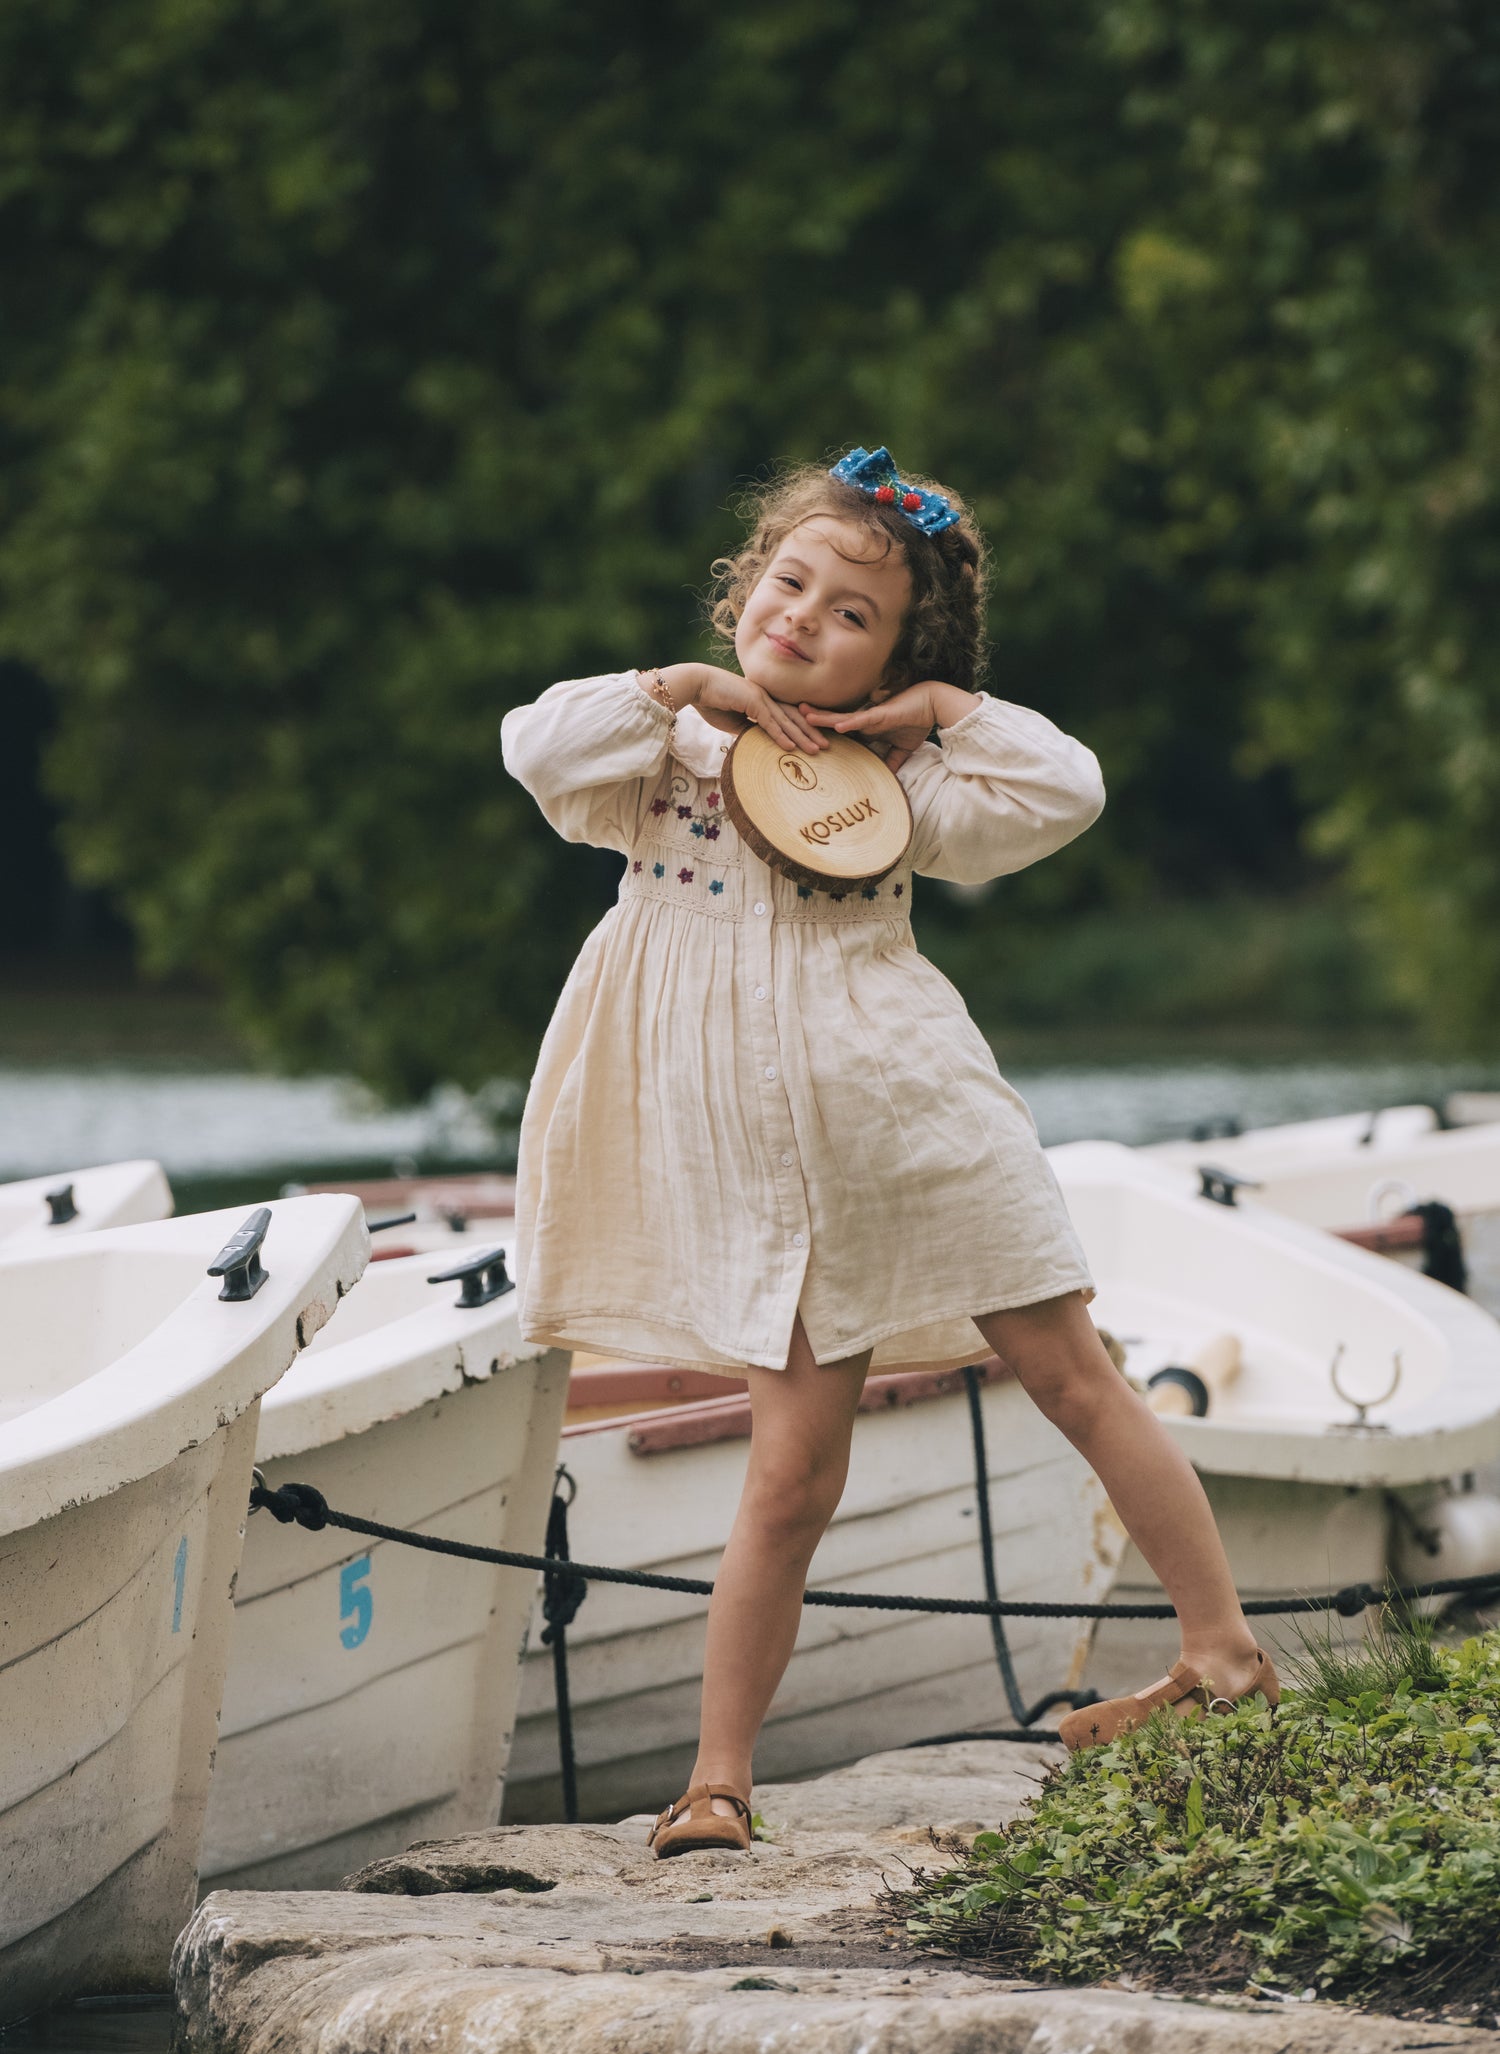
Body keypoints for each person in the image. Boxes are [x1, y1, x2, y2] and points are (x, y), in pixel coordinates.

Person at [502, 444, 1276, 1858]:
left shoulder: (898, 783)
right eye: (789, 584)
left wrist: (941, 711)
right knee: (792, 1469)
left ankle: (1223, 1653)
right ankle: (719, 1782)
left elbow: (1067, 789)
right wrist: (684, 686)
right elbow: (535, 746)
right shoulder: (655, 761)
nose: (804, 617)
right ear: (746, 586)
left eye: (852, 614)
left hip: (910, 1125)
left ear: (893, 661)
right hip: (764, 1169)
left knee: (1074, 1374)